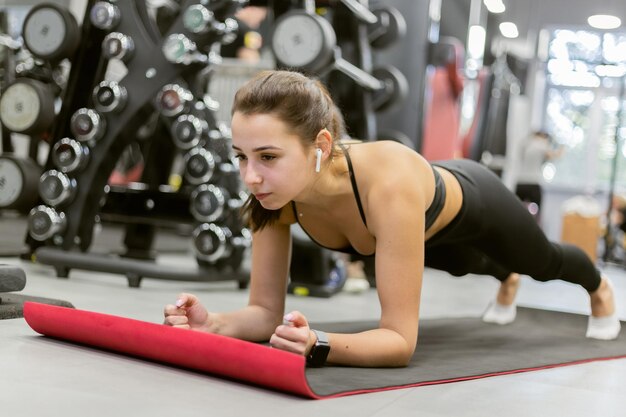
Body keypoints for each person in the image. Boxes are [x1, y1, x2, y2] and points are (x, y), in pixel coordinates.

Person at [164, 70, 621, 368]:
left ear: (320, 146)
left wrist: (319, 343)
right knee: (464, 264)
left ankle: (598, 287)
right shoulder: (273, 196)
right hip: (428, 235)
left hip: (476, 200)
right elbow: (265, 313)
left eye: (267, 156)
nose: (251, 176)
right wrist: (213, 325)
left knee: (540, 261)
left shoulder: (387, 184)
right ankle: (504, 278)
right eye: (241, 156)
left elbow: (399, 342)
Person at [514, 130, 563, 217]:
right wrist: (561, 149)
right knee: (537, 214)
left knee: (516, 211)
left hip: (520, 183)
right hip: (533, 183)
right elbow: (553, 156)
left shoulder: (526, 143)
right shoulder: (541, 144)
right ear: (543, 136)